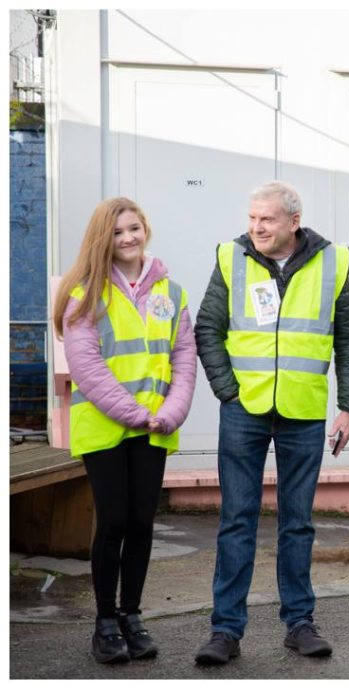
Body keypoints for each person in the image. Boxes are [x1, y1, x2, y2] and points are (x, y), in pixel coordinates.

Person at [192, 181, 349, 665]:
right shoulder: (231, 257)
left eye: (266, 219)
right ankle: (225, 630)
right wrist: (228, 390)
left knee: (298, 523)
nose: (256, 227)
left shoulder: (333, 261)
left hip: (303, 412)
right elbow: (208, 327)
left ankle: (300, 623)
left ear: (293, 220)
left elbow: (347, 339)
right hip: (243, 410)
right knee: (237, 519)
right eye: (252, 218)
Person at [53, 197, 197, 663]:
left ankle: (132, 615)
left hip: (154, 427)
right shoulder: (86, 295)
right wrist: (137, 413)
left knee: (141, 524)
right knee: (112, 522)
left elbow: (183, 358)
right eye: (117, 232)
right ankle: (104, 622)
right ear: (103, 239)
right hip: (107, 427)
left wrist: (172, 411)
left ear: (145, 229)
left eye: (134, 228)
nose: (128, 238)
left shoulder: (171, 293)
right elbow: (88, 368)